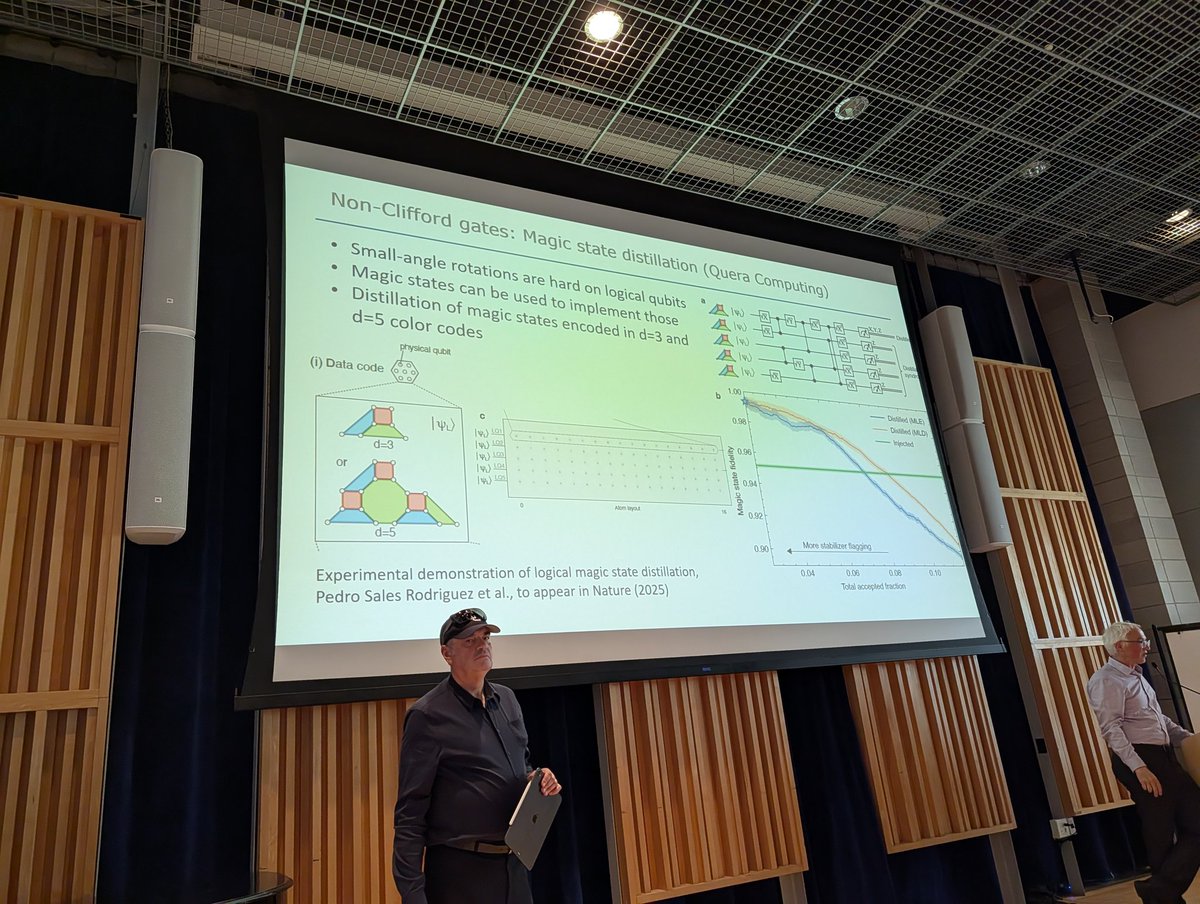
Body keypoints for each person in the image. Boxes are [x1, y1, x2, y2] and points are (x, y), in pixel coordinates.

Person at [393, 607, 562, 904]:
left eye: (485, 637)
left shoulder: (507, 699)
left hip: (514, 865)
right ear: (447, 653)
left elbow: (520, 766)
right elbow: (410, 813)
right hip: (460, 874)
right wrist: (413, 894)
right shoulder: (427, 715)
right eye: (469, 640)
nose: (482, 645)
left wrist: (538, 779)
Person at [1086, 620, 1200, 904]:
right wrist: (1139, 767)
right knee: (1160, 827)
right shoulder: (1106, 680)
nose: (1147, 646)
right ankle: (1163, 895)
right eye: (1141, 642)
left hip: (1161, 755)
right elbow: (1111, 729)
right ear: (1119, 646)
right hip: (1140, 758)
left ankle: (1160, 892)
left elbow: (1159, 720)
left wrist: (1190, 739)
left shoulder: (1136, 676)